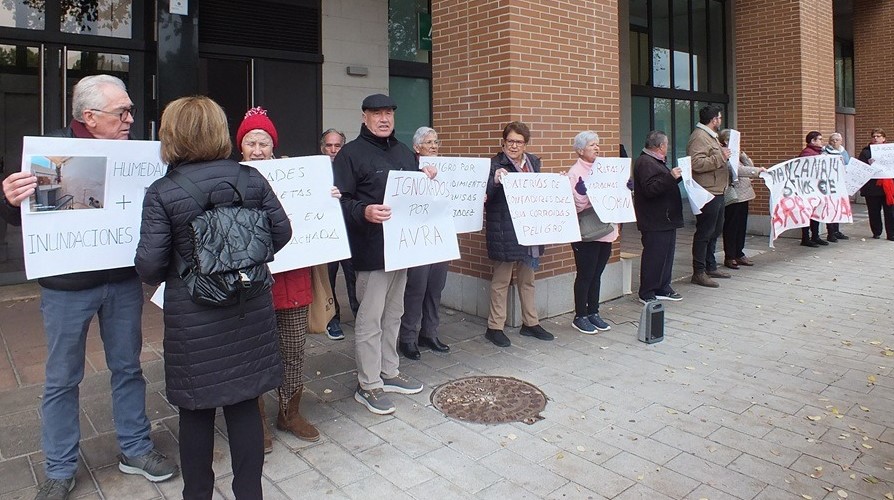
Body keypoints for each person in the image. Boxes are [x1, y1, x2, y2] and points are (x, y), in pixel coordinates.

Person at [0, 74, 177, 500]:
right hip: (66, 287)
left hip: (121, 281)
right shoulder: (49, 151)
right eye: (123, 112)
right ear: (90, 116)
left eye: (130, 111)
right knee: (62, 378)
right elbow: (21, 218)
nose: (132, 118)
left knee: (128, 367)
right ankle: (59, 469)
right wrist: (8, 198)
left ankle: (134, 448)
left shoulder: (138, 157)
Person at [134, 96, 291, 499]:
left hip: (194, 318)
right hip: (248, 308)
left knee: (196, 412)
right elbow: (282, 234)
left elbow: (150, 267)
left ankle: (198, 494)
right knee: (243, 406)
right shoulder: (251, 178)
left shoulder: (162, 192)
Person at [333, 94, 432, 415]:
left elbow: (415, 198)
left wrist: (427, 181)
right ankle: (368, 384)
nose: (384, 118)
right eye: (377, 113)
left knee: (394, 314)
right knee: (370, 319)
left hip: (403, 250)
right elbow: (339, 201)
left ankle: (389, 372)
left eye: (389, 112)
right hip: (371, 251)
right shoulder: (350, 154)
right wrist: (365, 211)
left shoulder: (404, 152)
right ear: (364, 117)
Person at [236, 107, 322, 449]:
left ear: (274, 146)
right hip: (252, 280)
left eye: (264, 143)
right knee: (255, 350)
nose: (258, 150)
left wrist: (325, 200)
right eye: (251, 142)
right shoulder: (231, 176)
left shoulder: (296, 175)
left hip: (293, 276)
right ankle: (255, 421)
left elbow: (315, 214)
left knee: (293, 347)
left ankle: (289, 411)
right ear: (240, 147)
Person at [484, 121, 554, 347]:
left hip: (529, 230)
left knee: (528, 279)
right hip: (505, 230)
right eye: (510, 141)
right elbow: (485, 197)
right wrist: (494, 183)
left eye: (519, 142)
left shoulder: (533, 162)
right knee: (501, 281)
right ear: (503, 142)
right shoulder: (495, 165)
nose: (514, 146)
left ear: (525, 144)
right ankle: (495, 327)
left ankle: (530, 323)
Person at [398, 127, 451, 359]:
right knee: (416, 289)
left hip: (441, 238)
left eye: (436, 141)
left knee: (435, 288)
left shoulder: (448, 170)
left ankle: (429, 332)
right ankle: (408, 337)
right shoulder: (408, 168)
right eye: (428, 142)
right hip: (418, 240)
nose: (433, 146)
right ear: (417, 147)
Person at [564, 131, 617, 333]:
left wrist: (624, 187)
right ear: (580, 150)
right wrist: (581, 193)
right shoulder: (574, 172)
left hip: (604, 230)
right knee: (585, 274)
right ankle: (580, 315)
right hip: (586, 233)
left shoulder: (604, 168)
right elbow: (575, 208)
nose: (597, 148)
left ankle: (594, 311)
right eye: (592, 145)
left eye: (598, 144)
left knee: (597, 274)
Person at [632, 131, 684, 304]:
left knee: (666, 254)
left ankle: (663, 286)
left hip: (665, 218)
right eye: (666, 144)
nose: (667, 147)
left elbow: (662, 184)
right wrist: (670, 177)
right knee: (654, 255)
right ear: (661, 146)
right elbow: (650, 189)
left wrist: (675, 178)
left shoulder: (656, 161)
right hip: (654, 218)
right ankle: (647, 291)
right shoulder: (645, 162)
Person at [687, 104, 732, 288]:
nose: (720, 121)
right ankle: (699, 272)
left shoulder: (710, 136)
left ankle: (710, 265)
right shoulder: (699, 137)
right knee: (705, 232)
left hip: (718, 189)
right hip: (707, 191)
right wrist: (721, 157)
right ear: (714, 120)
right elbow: (696, 164)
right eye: (719, 118)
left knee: (715, 230)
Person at [321, 128, 359, 341]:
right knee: (328, 278)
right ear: (322, 147)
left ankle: (358, 313)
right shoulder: (313, 171)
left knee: (353, 275)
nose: (333, 150)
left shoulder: (351, 167)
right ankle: (331, 319)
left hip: (350, 233)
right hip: (326, 236)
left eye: (338, 145)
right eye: (329, 145)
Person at [719, 129, 766, 269]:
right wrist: (757, 171)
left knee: (741, 226)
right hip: (734, 195)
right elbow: (736, 170)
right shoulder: (724, 153)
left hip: (745, 193)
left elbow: (749, 165)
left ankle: (739, 252)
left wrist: (743, 155)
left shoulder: (737, 153)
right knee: (731, 226)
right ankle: (730, 255)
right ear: (726, 141)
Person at [858, 128, 894, 241]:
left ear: (884, 138)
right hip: (872, 187)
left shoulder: (890, 151)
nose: (875, 138)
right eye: (874, 136)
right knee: (874, 212)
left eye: (878, 136)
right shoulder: (866, 152)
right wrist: (868, 164)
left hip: (888, 187)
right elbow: (860, 168)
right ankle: (876, 232)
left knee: (890, 212)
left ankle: (891, 234)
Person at [798, 131, 829, 247]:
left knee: (816, 212)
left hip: (816, 188)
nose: (822, 141)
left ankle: (815, 236)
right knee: (807, 213)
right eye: (820, 139)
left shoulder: (818, 153)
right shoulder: (807, 154)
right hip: (808, 189)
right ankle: (805, 238)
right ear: (813, 141)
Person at [822, 132, 850, 242]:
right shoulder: (824, 151)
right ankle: (830, 232)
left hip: (840, 183)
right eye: (832, 140)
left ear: (841, 141)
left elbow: (847, 165)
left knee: (838, 207)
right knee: (830, 208)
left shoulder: (843, 152)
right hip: (830, 184)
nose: (834, 142)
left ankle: (837, 231)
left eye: (837, 140)